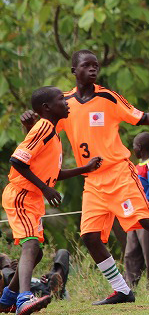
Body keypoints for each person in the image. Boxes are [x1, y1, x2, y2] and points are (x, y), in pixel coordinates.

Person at [20, 50, 149, 305]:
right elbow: (45, 129)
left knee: (144, 219)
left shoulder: (107, 97)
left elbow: (141, 117)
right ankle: (122, 289)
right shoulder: (64, 104)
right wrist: (29, 123)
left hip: (118, 173)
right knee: (90, 236)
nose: (93, 69)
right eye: (86, 65)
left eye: (96, 66)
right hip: (92, 181)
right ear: (74, 71)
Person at [1, 86, 102, 314]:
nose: (66, 103)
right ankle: (24, 299)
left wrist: (83, 169)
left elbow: (52, 173)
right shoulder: (44, 127)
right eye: (61, 100)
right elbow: (17, 161)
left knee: (35, 253)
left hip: (33, 197)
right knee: (31, 245)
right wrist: (46, 189)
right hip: (22, 195)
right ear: (47, 107)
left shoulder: (53, 134)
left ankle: (6, 298)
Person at [124, 132, 149, 290]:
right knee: (131, 253)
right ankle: (128, 286)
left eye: (134, 146)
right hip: (134, 217)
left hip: (147, 216)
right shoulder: (135, 167)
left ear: (139, 148)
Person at [1, 249, 71, 301]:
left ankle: (57, 283)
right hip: (27, 291)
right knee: (6, 271)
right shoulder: (5, 273)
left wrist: (50, 277)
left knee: (63, 252)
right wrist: (16, 272)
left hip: (44, 285)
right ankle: (55, 291)